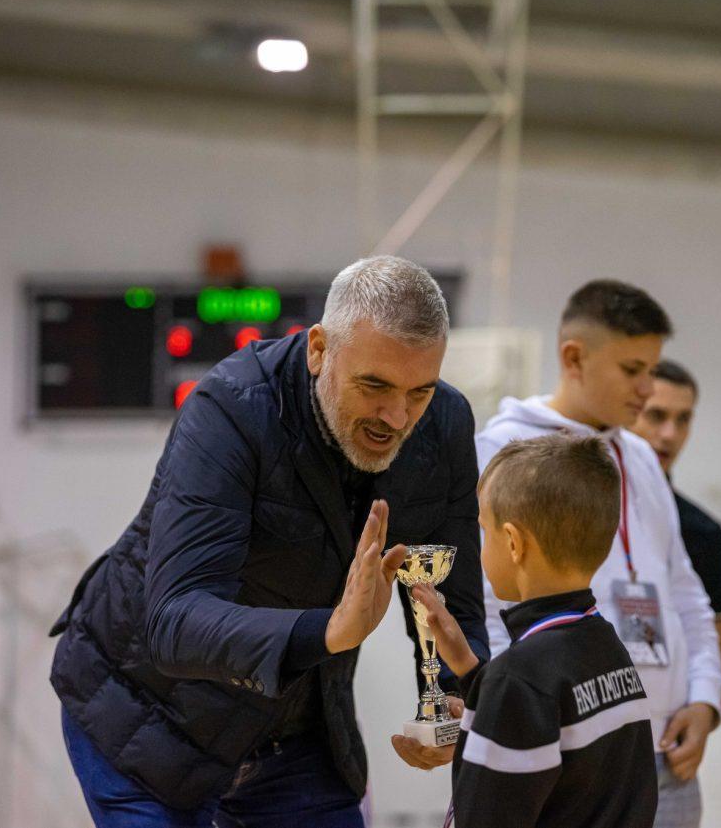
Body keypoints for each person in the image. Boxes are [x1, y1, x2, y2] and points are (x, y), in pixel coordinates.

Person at [48, 256, 490, 827]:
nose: (398, 416)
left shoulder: (445, 423)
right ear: (319, 350)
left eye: (419, 391)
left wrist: (456, 698)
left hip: (295, 732)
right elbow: (175, 622)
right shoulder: (232, 407)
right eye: (374, 385)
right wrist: (328, 632)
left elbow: (452, 594)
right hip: (146, 719)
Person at [475, 281, 721, 828]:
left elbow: (685, 591)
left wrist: (705, 698)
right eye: (632, 369)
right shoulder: (504, 450)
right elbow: (489, 605)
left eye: (652, 369)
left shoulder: (640, 456)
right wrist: (516, 720)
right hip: (569, 752)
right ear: (573, 358)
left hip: (666, 747)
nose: (647, 388)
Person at [412, 434, 657, 828]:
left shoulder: (518, 679)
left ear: (513, 543)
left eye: (485, 530)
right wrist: (472, 672)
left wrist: (495, 688)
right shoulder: (608, 644)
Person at [630, 360, 721, 707]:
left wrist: (702, 709)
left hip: (665, 724)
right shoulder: (586, 513)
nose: (669, 434)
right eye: (656, 415)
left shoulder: (704, 534)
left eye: (683, 419)